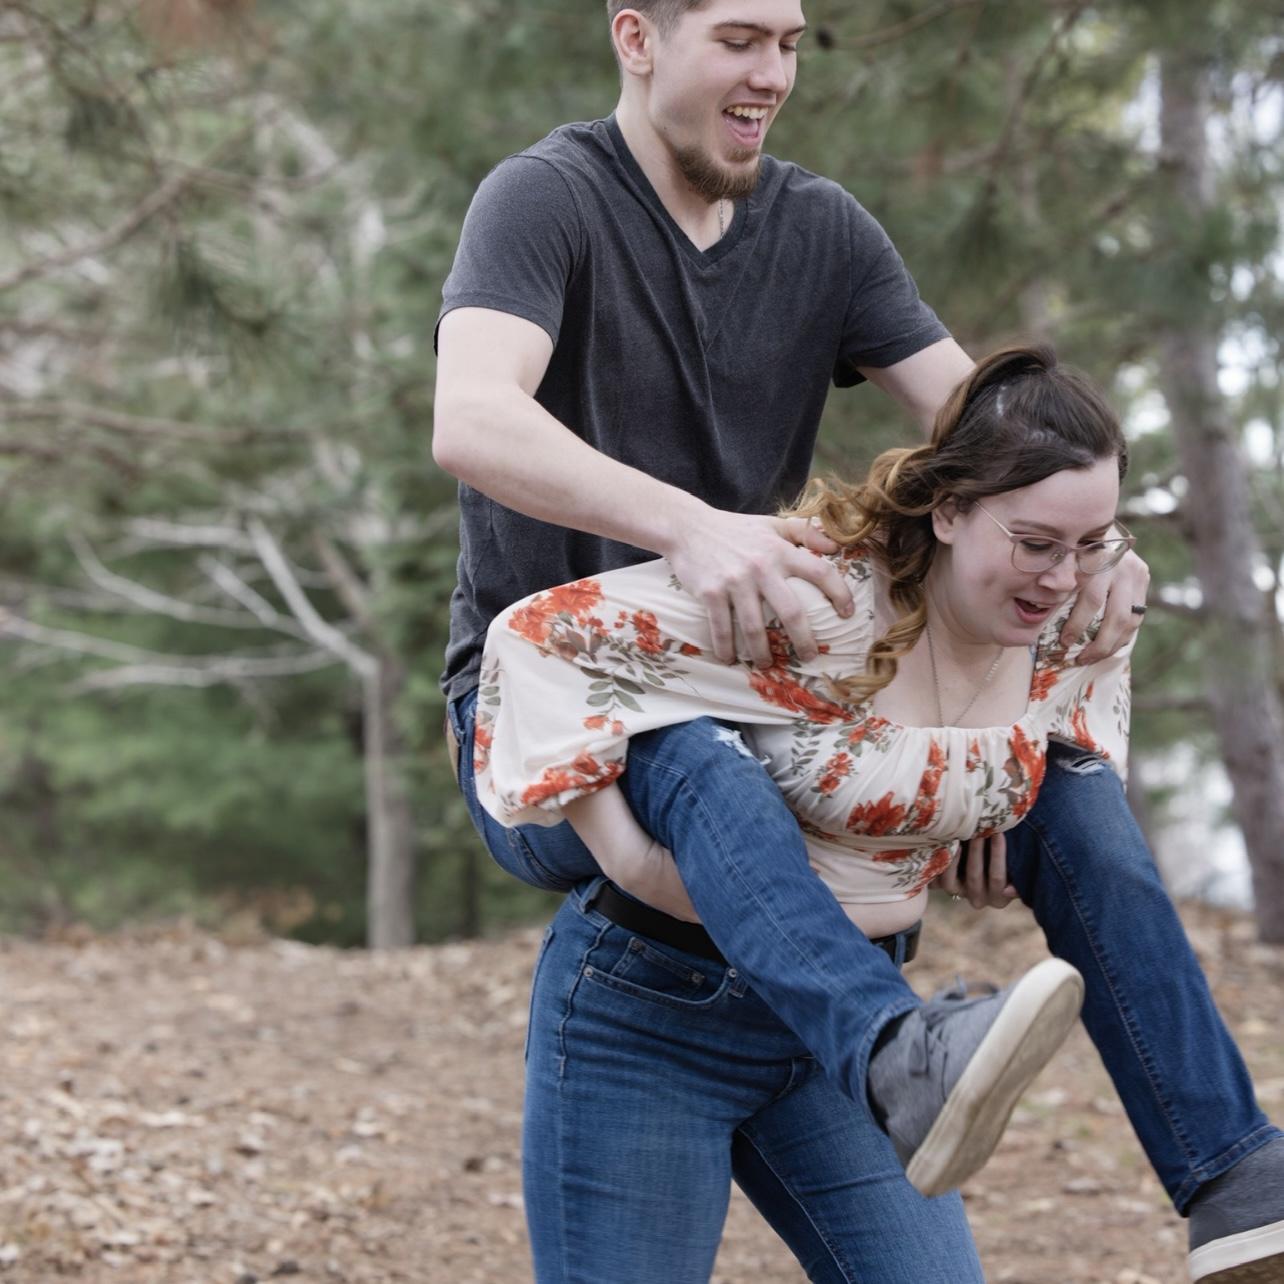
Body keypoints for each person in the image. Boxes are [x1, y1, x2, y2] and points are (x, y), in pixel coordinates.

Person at [432, 2, 1284, 1280]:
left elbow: (997, 438)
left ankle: (1228, 1171)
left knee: (1067, 786)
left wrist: (1098, 547)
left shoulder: (821, 230)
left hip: (771, 735)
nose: (773, 72)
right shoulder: (545, 201)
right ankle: (892, 1050)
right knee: (698, 761)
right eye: (739, 38)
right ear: (637, 37)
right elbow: (469, 419)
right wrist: (691, 528)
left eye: (791, 42)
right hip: (557, 711)